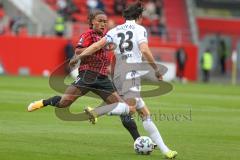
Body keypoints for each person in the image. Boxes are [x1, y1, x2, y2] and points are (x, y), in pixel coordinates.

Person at [69, 1, 177, 159]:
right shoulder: (140, 29)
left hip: (118, 74)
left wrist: (79, 56)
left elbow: (96, 46)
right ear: (139, 16)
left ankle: (165, 150)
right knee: (131, 109)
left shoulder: (115, 30)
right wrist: (156, 69)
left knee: (144, 112)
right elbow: (145, 50)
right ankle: (97, 112)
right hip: (131, 72)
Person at [27, 10, 141, 141]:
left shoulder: (106, 38)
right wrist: (95, 47)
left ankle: (138, 140)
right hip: (88, 75)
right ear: (92, 21)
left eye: (105, 22)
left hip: (103, 78)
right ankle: (44, 102)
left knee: (123, 108)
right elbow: (78, 50)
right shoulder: (88, 35)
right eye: (100, 21)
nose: (103, 24)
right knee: (64, 103)